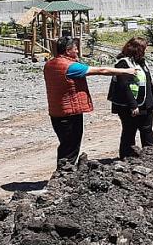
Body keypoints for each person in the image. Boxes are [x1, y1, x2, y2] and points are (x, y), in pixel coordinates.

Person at [44, 36, 136, 166]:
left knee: (65, 144)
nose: (77, 51)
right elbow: (101, 70)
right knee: (71, 147)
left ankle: (63, 174)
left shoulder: (50, 65)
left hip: (56, 112)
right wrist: (126, 71)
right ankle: (63, 175)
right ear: (68, 50)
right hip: (70, 114)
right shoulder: (70, 67)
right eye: (75, 49)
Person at [108, 37, 153, 159]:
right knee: (129, 132)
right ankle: (126, 157)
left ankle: (151, 156)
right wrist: (133, 105)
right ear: (137, 49)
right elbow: (123, 85)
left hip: (145, 103)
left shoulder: (141, 62)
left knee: (147, 130)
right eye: (143, 49)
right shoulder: (123, 63)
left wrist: (151, 102)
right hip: (129, 106)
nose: (145, 51)